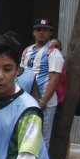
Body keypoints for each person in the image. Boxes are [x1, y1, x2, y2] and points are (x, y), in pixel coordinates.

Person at [19, 18, 63, 147]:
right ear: (34, 32)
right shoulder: (27, 51)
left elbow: (55, 78)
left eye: (45, 30)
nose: (41, 32)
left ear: (51, 33)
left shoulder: (53, 52)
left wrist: (44, 100)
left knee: (42, 140)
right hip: (27, 100)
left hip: (45, 103)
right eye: (38, 29)